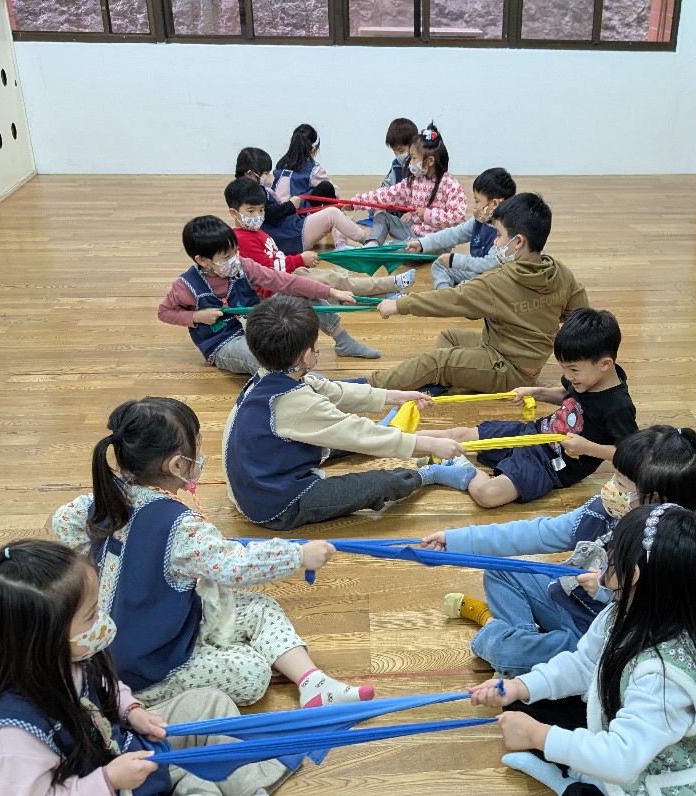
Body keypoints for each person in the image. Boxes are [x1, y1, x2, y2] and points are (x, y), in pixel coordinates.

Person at [0, 539, 321, 796]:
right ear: (44, 639)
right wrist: (107, 781)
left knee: (210, 704)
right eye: (90, 616)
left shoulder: (72, 653)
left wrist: (131, 710)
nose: (102, 621)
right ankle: (207, 783)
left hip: (112, 758)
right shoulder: (15, 737)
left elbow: (106, 686)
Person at [469, 505, 696, 796]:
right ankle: (580, 770)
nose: (604, 564)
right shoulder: (623, 611)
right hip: (633, 733)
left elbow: (622, 759)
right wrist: (521, 687)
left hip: (670, 764)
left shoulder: (665, 677)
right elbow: (583, 665)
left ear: (634, 575)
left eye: (612, 556)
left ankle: (571, 784)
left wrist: (538, 737)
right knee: (522, 701)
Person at [52, 396, 373, 710]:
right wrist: (299, 556)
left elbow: (62, 521)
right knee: (253, 674)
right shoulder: (180, 526)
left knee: (260, 607)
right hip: (143, 669)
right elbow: (235, 566)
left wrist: (99, 565)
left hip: (142, 632)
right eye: (198, 446)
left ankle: (314, 683)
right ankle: (151, 698)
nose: (202, 454)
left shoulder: (104, 499)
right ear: (177, 464)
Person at [425, 425, 696, 677]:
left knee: (506, 652)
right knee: (499, 569)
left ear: (654, 500)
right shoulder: (603, 510)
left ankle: (498, 632)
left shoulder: (671, 550)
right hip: (567, 599)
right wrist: (454, 540)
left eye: (621, 484)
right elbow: (539, 532)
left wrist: (605, 593)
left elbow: (651, 626)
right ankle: (520, 642)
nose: (610, 488)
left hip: (598, 636)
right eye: (614, 476)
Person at [223, 296, 467, 531]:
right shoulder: (297, 404)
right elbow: (358, 434)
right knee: (379, 484)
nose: (318, 348)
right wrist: (431, 446)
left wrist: (397, 396)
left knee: (351, 440)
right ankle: (428, 474)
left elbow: (333, 391)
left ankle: (399, 435)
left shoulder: (270, 375)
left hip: (259, 477)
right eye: (316, 345)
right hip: (275, 504)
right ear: (306, 356)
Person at [367, 193, 588, 394]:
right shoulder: (560, 272)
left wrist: (399, 305)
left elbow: (451, 299)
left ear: (518, 241)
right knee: (450, 337)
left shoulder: (498, 281)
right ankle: (444, 381)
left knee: (437, 362)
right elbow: (579, 316)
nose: (495, 241)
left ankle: (369, 386)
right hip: (509, 355)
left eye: (499, 235)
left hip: (508, 370)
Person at [417, 309, 638, 508]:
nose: (568, 376)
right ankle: (399, 438)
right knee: (459, 434)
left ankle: (459, 468)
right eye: (563, 369)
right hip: (532, 432)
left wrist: (587, 448)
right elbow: (567, 394)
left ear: (605, 364)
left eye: (573, 370)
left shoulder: (618, 406)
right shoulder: (586, 377)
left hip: (550, 465)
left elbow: (629, 455)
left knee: (487, 494)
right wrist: (537, 392)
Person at [226, 177, 406, 359]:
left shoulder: (257, 233)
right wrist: (299, 260)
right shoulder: (241, 239)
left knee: (336, 281)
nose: (258, 215)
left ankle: (386, 295)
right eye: (251, 211)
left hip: (287, 276)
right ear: (234, 213)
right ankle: (391, 284)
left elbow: (276, 261)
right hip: (275, 289)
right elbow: (270, 272)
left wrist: (297, 262)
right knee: (329, 286)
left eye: (261, 210)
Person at [156, 215, 362, 375]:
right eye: (226, 257)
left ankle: (343, 341)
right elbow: (164, 312)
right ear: (202, 260)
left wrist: (331, 291)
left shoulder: (243, 265)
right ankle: (303, 379)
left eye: (236, 251)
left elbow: (284, 281)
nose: (235, 259)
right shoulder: (186, 286)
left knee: (299, 295)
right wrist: (196, 316)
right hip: (225, 344)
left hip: (256, 326)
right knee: (262, 357)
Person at [240, 140, 372, 253]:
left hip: (292, 228)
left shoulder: (255, 186)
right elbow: (266, 213)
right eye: (265, 173)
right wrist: (290, 206)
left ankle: (347, 244)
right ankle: (368, 241)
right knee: (333, 212)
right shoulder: (251, 192)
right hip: (291, 235)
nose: (267, 176)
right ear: (250, 174)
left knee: (333, 211)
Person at [348, 123, 467, 244]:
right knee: (381, 217)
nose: (410, 162)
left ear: (430, 160)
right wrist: (356, 202)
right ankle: (372, 244)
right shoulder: (414, 181)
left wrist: (428, 215)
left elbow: (458, 217)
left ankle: (393, 247)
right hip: (413, 231)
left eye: (413, 158)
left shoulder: (451, 185)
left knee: (405, 247)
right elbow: (387, 195)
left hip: (435, 241)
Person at [405, 167, 516, 289]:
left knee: (469, 286)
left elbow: (489, 264)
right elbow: (454, 234)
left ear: (494, 204)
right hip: (475, 271)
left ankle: (455, 294)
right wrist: (422, 243)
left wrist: (456, 260)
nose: (475, 206)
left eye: (477, 201)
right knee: (440, 265)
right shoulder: (480, 220)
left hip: (493, 278)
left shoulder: (506, 231)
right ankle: (444, 294)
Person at [380, 117, 418, 187]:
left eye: (401, 150)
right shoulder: (396, 165)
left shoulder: (421, 165)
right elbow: (386, 184)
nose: (399, 155)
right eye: (395, 151)